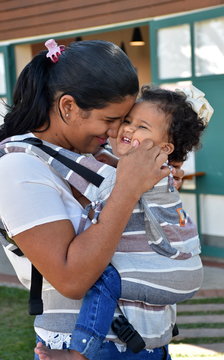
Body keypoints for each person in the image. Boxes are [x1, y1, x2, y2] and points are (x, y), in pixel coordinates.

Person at [0, 39, 184, 360]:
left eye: (124, 119)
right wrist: (128, 189)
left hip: (144, 342)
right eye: (109, 120)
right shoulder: (18, 167)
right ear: (67, 107)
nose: (118, 131)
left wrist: (158, 188)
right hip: (88, 347)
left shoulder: (89, 152)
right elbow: (71, 278)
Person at [34, 84, 213, 360]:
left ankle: (80, 353)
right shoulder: (144, 170)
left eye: (142, 127)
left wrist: (33, 149)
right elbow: (103, 161)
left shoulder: (141, 175)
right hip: (170, 280)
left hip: (168, 270)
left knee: (102, 279)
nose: (128, 129)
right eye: (127, 121)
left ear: (164, 148)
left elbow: (82, 174)